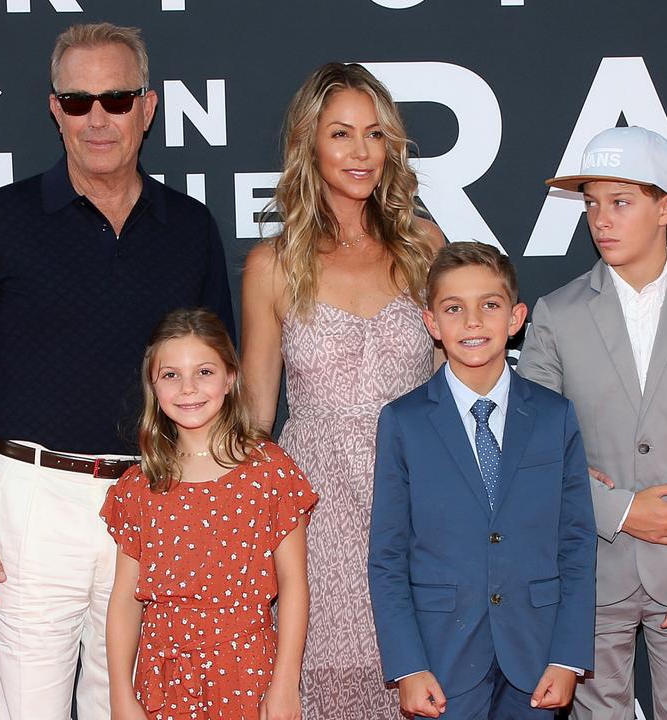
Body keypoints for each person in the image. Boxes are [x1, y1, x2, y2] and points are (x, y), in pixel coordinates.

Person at [0, 23, 234, 720]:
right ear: (55, 108)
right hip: (33, 505)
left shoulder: (189, 227)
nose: (99, 117)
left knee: (126, 709)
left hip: (154, 500)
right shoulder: (2, 221)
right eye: (80, 99)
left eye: (118, 99)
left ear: (148, 110)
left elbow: (221, 379)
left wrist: (201, 508)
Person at [518, 126, 667, 719]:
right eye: (592, 204)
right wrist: (624, 511)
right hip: (589, 573)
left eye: (620, 202)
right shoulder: (556, 314)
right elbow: (533, 452)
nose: (601, 219)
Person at [240, 62, 443, 718]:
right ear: (309, 144)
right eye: (342, 134)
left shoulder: (425, 247)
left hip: (418, 499)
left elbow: (461, 390)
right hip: (317, 510)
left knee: (426, 675)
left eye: (375, 135)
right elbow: (255, 416)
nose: (361, 152)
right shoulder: (273, 264)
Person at [368, 242, 597, 719]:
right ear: (431, 323)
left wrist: (567, 656)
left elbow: (576, 543)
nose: (472, 322)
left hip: (536, 654)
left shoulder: (554, 416)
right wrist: (407, 666)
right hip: (442, 657)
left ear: (515, 319)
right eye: (454, 308)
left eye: (489, 306)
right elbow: (387, 555)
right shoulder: (403, 421)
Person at [102, 308, 317, 720]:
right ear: (153, 385)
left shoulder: (269, 471)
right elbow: (125, 601)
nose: (188, 389)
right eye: (171, 375)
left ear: (230, 377)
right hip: (162, 677)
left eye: (203, 371)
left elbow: (293, 584)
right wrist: (120, 695)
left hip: (248, 671)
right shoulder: (139, 486)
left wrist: (286, 682)